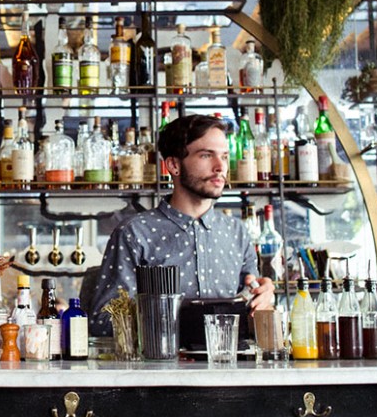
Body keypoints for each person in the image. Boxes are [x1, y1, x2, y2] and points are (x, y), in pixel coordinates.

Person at [88, 114, 274, 335]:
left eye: (224, 156)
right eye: (206, 155)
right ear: (174, 165)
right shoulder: (134, 233)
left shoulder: (237, 232)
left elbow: (253, 309)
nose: (220, 167)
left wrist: (264, 298)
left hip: (229, 367)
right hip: (159, 368)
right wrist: (168, 316)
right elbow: (103, 322)